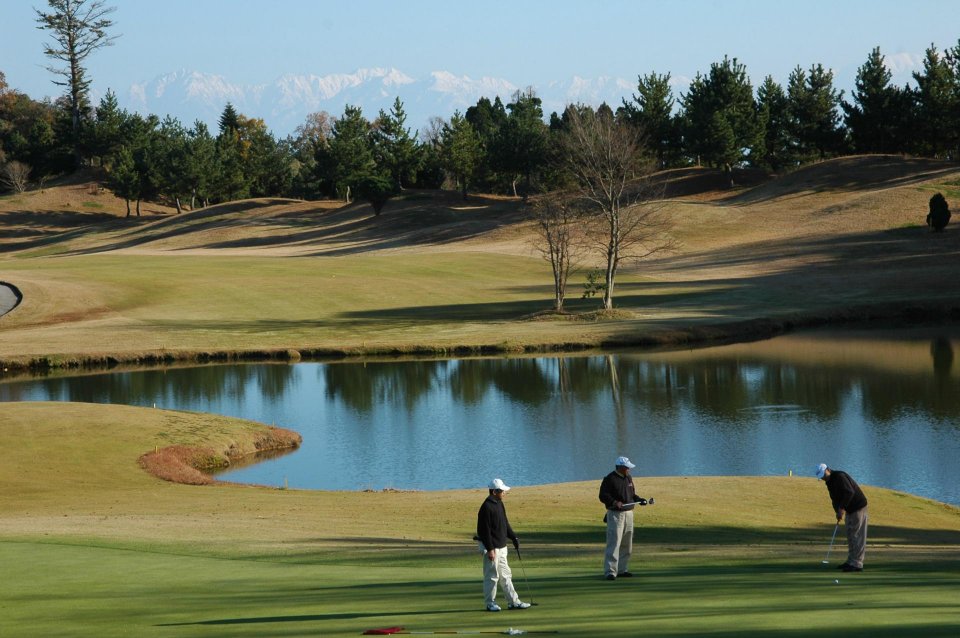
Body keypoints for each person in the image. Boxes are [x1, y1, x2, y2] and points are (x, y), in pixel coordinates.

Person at [476, 478, 531, 612]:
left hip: (502, 547)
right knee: (492, 576)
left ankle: (513, 601)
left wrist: (513, 537)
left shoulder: (499, 504)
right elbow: (484, 531)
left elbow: (505, 523)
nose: (504, 493)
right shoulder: (486, 507)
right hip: (492, 548)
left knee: (506, 575)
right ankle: (490, 603)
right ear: (495, 491)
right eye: (502, 491)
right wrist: (490, 549)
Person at [598, 456, 646, 580]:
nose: (629, 470)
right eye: (627, 467)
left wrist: (639, 500)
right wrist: (614, 502)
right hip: (615, 515)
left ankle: (622, 569)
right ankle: (610, 571)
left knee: (627, 544)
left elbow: (632, 494)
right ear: (620, 467)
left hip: (629, 513)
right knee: (614, 543)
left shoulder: (628, 478)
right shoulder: (610, 479)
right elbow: (603, 495)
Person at [816, 463, 868, 572]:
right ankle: (851, 561)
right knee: (850, 534)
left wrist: (842, 508)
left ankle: (857, 564)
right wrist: (837, 511)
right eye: (821, 477)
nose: (823, 478)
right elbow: (834, 499)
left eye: (823, 475)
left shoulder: (839, 476)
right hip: (849, 509)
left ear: (828, 469)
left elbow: (849, 492)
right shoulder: (829, 482)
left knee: (856, 535)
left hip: (858, 506)